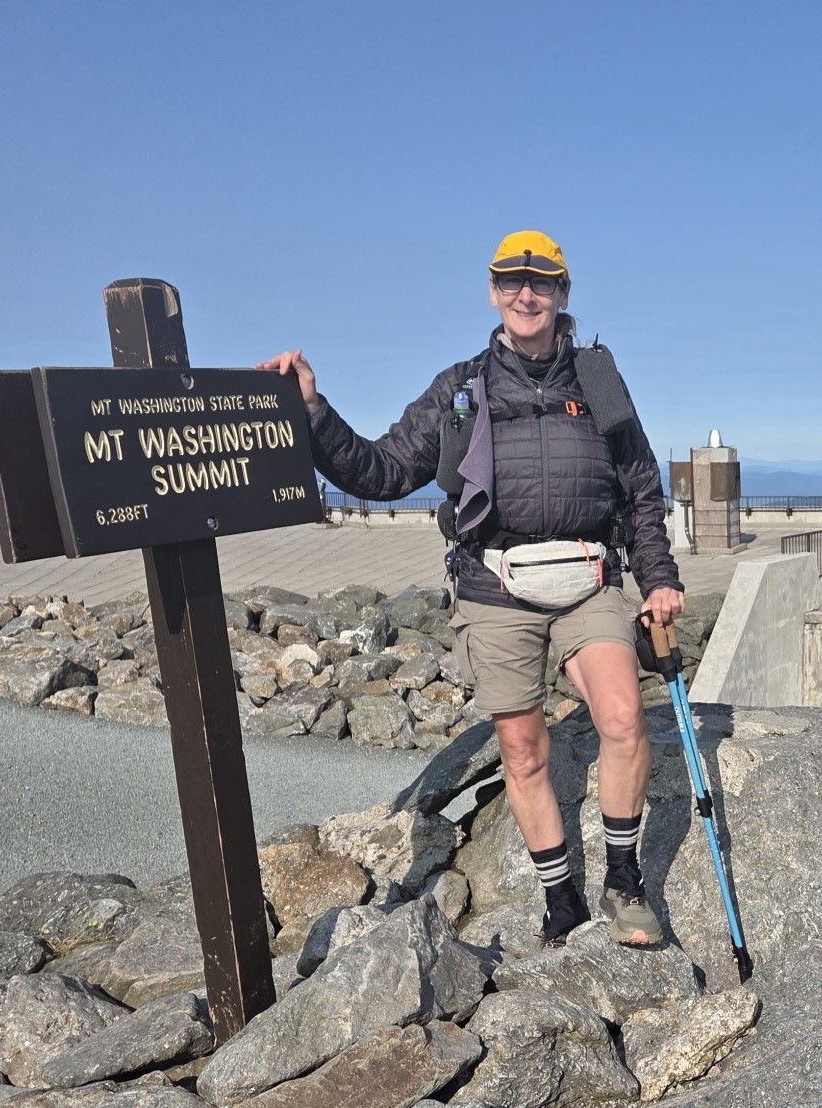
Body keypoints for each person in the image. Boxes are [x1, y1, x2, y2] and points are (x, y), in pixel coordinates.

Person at [259, 230, 684, 948]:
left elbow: (641, 487)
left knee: (621, 718)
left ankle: (624, 881)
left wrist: (660, 579)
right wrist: (313, 413)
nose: (527, 293)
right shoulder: (461, 389)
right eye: (512, 281)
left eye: (541, 282)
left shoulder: (599, 380)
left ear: (562, 295)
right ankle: (559, 900)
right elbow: (381, 472)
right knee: (523, 752)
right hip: (494, 585)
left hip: (590, 578)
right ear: (493, 291)